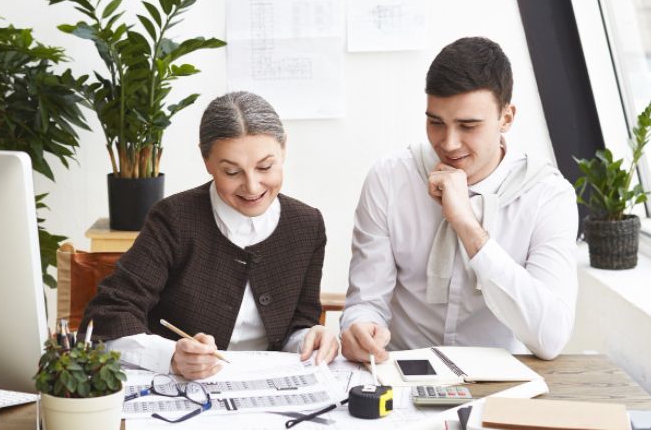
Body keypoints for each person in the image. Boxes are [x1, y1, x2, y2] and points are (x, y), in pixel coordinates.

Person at [340, 37, 578, 363]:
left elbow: (550, 338)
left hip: (502, 382)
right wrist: (359, 326)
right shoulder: (390, 178)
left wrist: (467, 224)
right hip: (402, 372)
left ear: (506, 118)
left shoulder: (547, 195)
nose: (449, 143)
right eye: (436, 122)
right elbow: (366, 300)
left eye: (468, 125)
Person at [84, 91, 339, 379]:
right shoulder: (174, 219)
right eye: (232, 172)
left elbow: (298, 323)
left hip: (267, 388)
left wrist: (308, 338)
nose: (252, 186)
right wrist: (171, 357)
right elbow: (108, 315)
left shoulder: (307, 224)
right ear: (207, 162)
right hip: (183, 391)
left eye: (265, 167)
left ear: (284, 148)